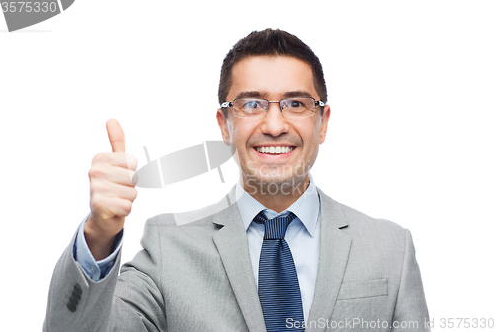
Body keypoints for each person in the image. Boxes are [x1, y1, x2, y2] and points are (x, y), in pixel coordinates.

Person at [43, 29, 430, 332]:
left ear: (323, 122)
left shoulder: (390, 250)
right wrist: (98, 234)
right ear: (224, 125)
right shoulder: (168, 248)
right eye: (251, 104)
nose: (275, 125)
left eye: (296, 103)